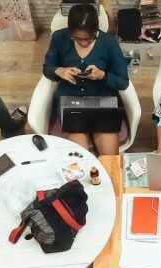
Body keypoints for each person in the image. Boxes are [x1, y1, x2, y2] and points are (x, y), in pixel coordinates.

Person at [42, 4, 129, 155]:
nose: (83, 43)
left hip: (102, 104)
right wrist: (59, 71)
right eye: (77, 38)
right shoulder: (59, 38)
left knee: (110, 161)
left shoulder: (109, 43)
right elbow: (47, 69)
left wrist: (103, 75)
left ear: (96, 31)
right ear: (70, 32)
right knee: (81, 161)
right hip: (72, 104)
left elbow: (123, 82)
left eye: (88, 39)